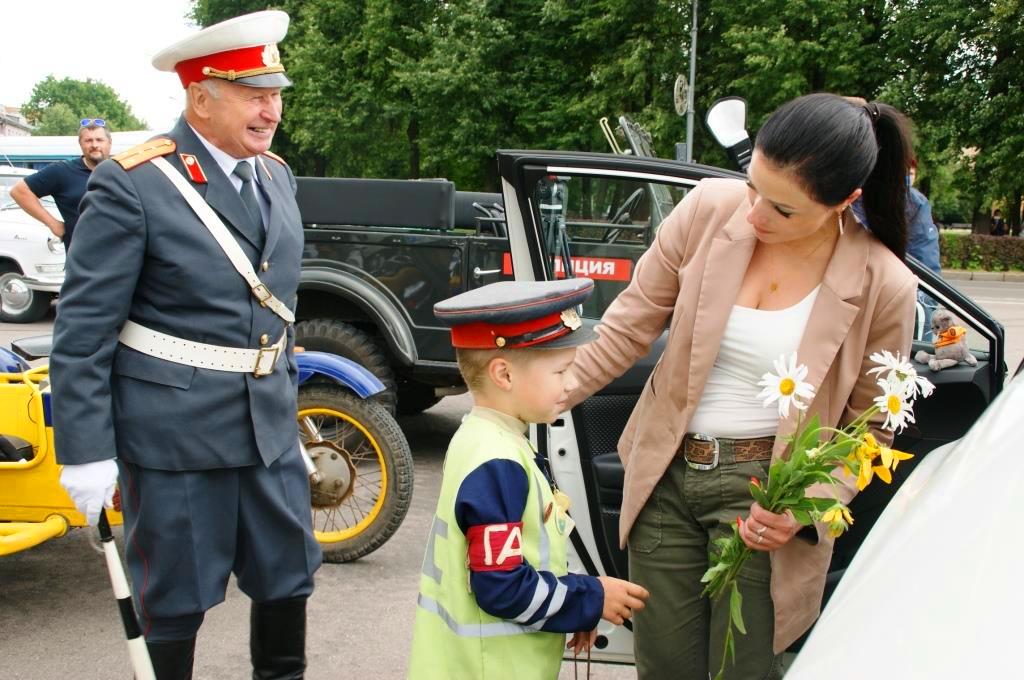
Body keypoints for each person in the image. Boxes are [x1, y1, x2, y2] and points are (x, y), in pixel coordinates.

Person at [566, 93, 917, 679]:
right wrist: (536, 400)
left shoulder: (884, 283)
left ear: (844, 203)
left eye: (782, 210)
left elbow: (874, 427)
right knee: (663, 667)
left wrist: (808, 508)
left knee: (745, 670)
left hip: (766, 499)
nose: (754, 214)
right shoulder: (708, 208)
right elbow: (628, 325)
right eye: (752, 185)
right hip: (666, 478)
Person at [49, 11, 321, 680]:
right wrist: (86, 452)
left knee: (288, 580)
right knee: (174, 602)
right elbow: (82, 334)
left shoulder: (277, 177)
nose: (271, 109)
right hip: (174, 437)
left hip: (267, 430)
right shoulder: (134, 183)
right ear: (201, 96)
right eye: (254, 93)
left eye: (276, 92)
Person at [408, 277, 650, 680]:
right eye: (561, 371)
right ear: (503, 375)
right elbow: (501, 587)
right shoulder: (497, 462)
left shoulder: (483, 437)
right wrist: (590, 597)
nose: (573, 383)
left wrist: (572, 607)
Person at [9, 119, 112, 248]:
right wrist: (52, 223)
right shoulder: (62, 171)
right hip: (82, 261)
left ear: (109, 143)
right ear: (80, 144)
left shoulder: (122, 170)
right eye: (88, 140)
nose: (94, 145)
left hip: (122, 258)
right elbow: (19, 191)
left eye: (99, 140)